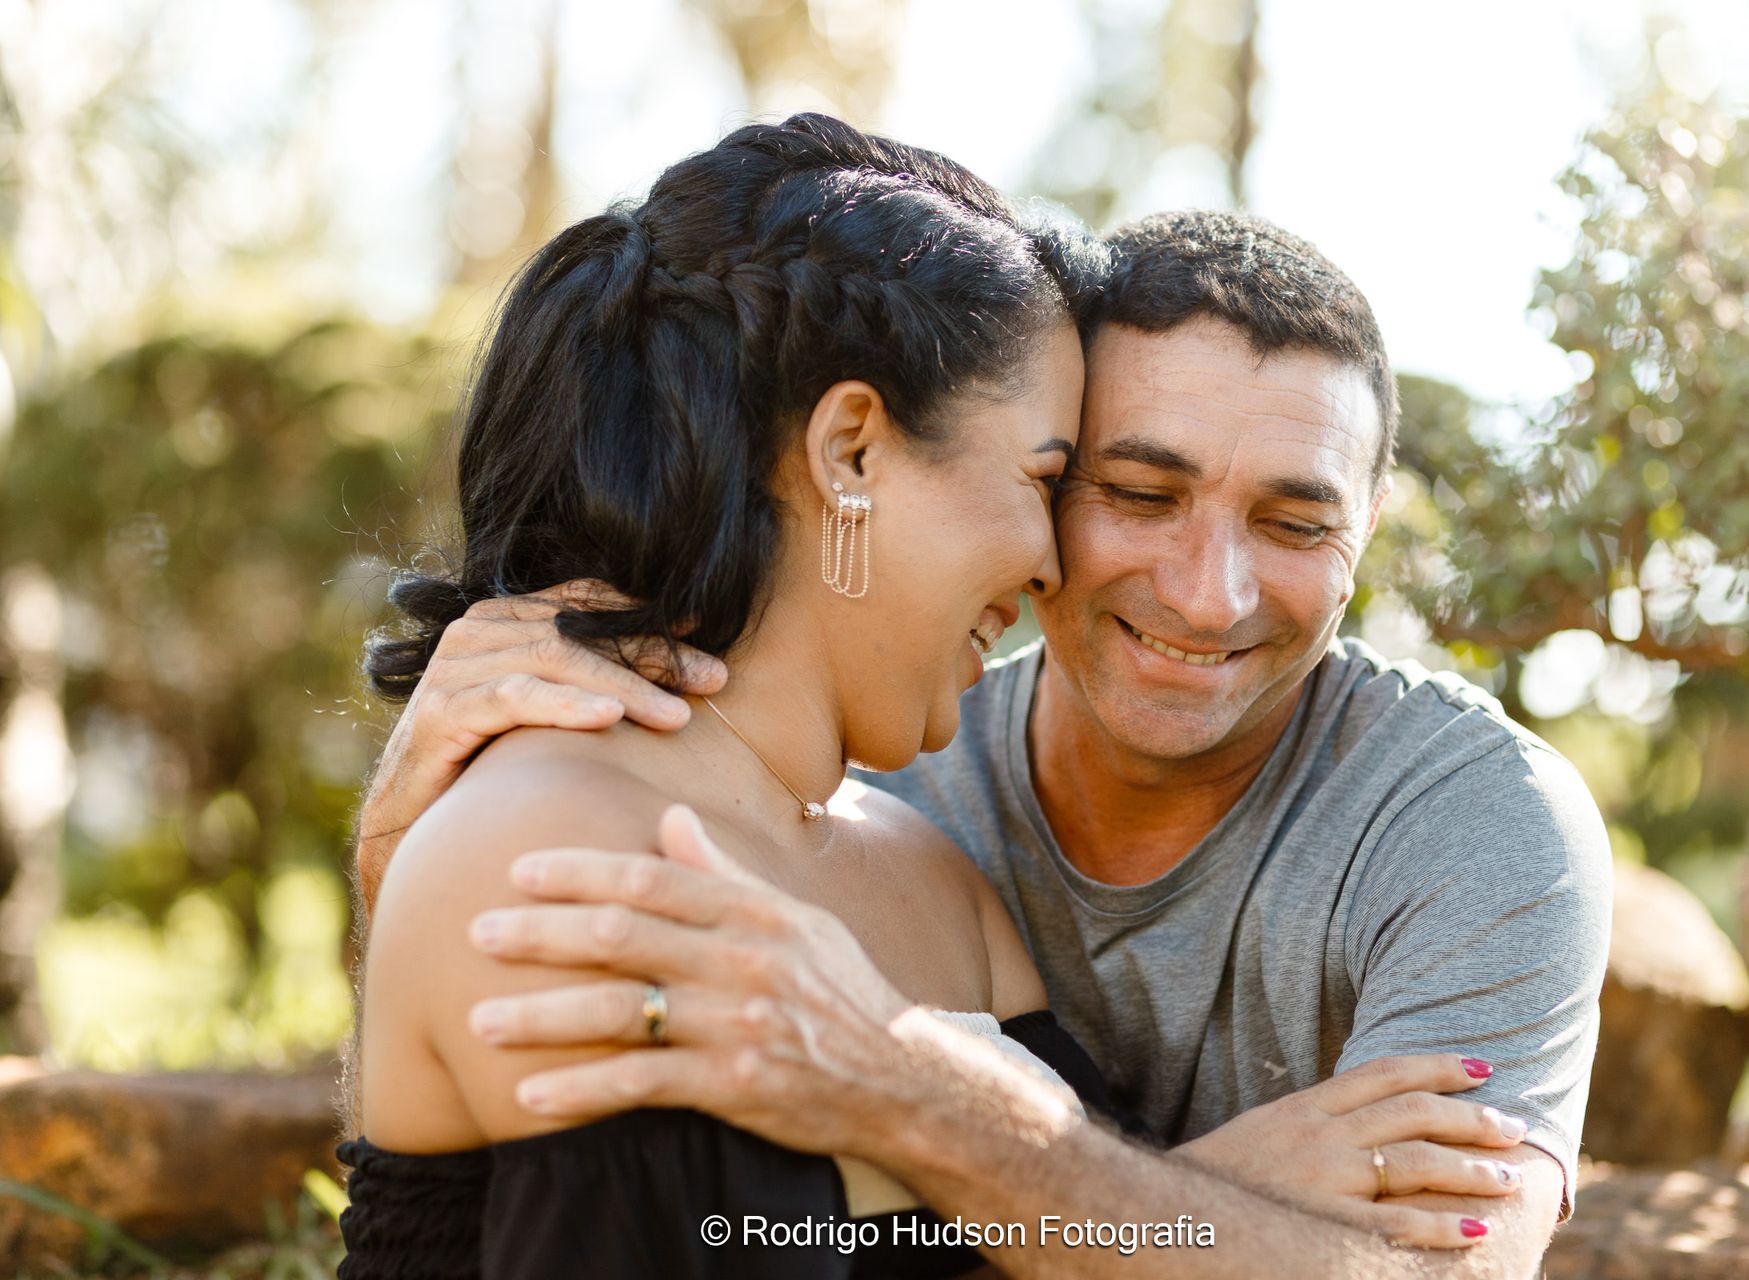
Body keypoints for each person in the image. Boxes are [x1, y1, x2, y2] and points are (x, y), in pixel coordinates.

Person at [354, 208, 1607, 1276]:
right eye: (1137, 492)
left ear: (1371, 522)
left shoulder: (1480, 821)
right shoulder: (881, 780)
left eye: (1293, 520)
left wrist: (926, 1098)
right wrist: (402, 875)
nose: (1211, 591)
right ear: (1045, 484)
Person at [343, 112, 1136, 1279]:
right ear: (852, 449)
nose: (1053, 562)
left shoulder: (930, 874)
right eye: (1043, 478)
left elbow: (1123, 1227)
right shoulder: (553, 847)